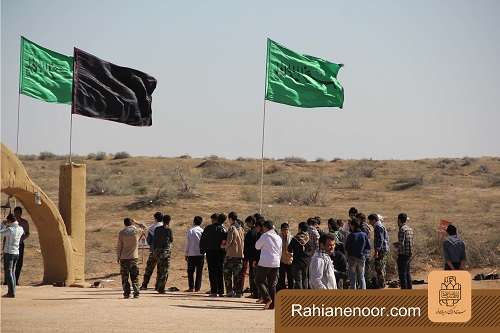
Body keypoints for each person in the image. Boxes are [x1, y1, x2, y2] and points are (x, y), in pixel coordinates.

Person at [116, 217, 146, 299]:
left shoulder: (121, 233)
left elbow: (119, 246)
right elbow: (144, 227)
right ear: (131, 223)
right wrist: (136, 222)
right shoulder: (136, 231)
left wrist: (118, 256)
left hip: (124, 258)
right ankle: (136, 292)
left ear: (124, 224)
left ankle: (126, 293)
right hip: (134, 257)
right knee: (134, 276)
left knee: (125, 277)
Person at [255, 220, 282, 310]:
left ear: (265, 227)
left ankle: (267, 299)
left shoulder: (265, 235)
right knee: (272, 284)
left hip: (265, 262)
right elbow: (280, 251)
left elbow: (257, 246)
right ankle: (272, 305)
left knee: (259, 280)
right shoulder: (278, 237)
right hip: (276, 262)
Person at [200, 213, 227, 296]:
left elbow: (203, 240)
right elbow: (225, 242)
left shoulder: (208, 228)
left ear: (214, 219)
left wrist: (202, 251)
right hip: (220, 253)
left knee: (212, 271)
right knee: (220, 271)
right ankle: (221, 291)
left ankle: (214, 291)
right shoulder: (223, 229)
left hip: (210, 253)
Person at [1, 214, 24, 298]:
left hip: (9, 253)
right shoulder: (20, 229)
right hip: (16, 253)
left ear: (10, 221)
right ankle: (12, 291)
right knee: (13, 272)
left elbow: (0, 233)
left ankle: (11, 292)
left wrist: (2, 224)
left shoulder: (10, 230)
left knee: (9, 272)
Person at [222, 212, 244, 297]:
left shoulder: (232, 228)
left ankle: (229, 291)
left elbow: (229, 241)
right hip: (239, 256)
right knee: (237, 276)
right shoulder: (241, 229)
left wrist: (224, 247)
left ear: (231, 219)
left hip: (231, 255)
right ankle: (238, 292)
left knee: (227, 274)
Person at [345, 218, 370, 289]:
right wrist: (364, 255)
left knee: (353, 278)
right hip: (361, 258)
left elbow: (347, 247)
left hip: (352, 259)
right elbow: (368, 247)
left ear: (353, 226)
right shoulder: (364, 235)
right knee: (361, 277)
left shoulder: (351, 235)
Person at [140, 212, 163, 290]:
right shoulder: (164, 227)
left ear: (155, 218)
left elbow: (149, 241)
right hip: (162, 252)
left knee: (149, 269)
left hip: (153, 251)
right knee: (160, 269)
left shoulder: (152, 227)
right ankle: (158, 286)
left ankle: (144, 285)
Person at [288, 222, 314, 289]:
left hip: (297, 262)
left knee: (298, 280)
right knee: (305, 279)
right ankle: (305, 295)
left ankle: (300, 296)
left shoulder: (295, 239)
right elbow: (312, 250)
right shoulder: (309, 239)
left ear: (300, 229)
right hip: (306, 262)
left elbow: (289, 249)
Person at [153, 214, 174, 294]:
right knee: (164, 271)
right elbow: (171, 240)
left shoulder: (157, 229)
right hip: (165, 252)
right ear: (169, 221)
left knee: (159, 269)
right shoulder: (169, 230)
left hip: (157, 251)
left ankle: (157, 286)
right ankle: (161, 288)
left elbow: (154, 240)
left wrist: (155, 250)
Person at [368, 213, 389, 289]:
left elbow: (380, 240)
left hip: (381, 250)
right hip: (384, 249)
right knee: (382, 267)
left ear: (374, 220)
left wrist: (377, 251)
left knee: (379, 267)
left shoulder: (378, 227)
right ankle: (382, 284)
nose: (369, 223)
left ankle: (381, 285)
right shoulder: (381, 225)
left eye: (370, 221)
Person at [242, 215, 260, 298]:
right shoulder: (257, 232)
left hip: (252, 257)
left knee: (253, 276)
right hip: (257, 257)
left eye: (248, 223)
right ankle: (256, 293)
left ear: (251, 222)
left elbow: (248, 247)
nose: (247, 224)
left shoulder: (251, 233)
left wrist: (246, 257)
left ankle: (254, 293)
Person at [185, 216, 204, 292]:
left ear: (194, 221)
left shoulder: (190, 230)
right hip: (200, 254)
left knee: (190, 271)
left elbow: (188, 243)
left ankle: (191, 287)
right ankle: (197, 288)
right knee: (199, 272)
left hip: (191, 254)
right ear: (201, 222)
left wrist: (186, 253)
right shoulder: (202, 230)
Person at [394, 213, 413, 289]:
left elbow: (401, 244)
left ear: (399, 220)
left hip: (402, 255)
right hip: (409, 254)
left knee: (402, 275)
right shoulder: (410, 229)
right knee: (407, 273)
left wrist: (396, 245)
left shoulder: (402, 230)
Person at [13, 207, 29, 285]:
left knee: (19, 263)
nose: (17, 214)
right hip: (11, 245)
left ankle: (16, 280)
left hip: (20, 245)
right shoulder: (10, 222)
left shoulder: (24, 222)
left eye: (18, 212)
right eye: (16, 212)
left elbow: (27, 233)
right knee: (10, 262)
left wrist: (21, 239)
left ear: (21, 213)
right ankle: (7, 281)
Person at [277, 223, 293, 291]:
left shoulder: (292, 237)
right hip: (281, 260)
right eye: (284, 229)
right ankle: (282, 291)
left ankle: (290, 291)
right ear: (281, 230)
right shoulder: (278, 238)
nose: (285, 231)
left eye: (286, 229)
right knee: (281, 277)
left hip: (290, 260)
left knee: (290, 277)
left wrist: (292, 255)